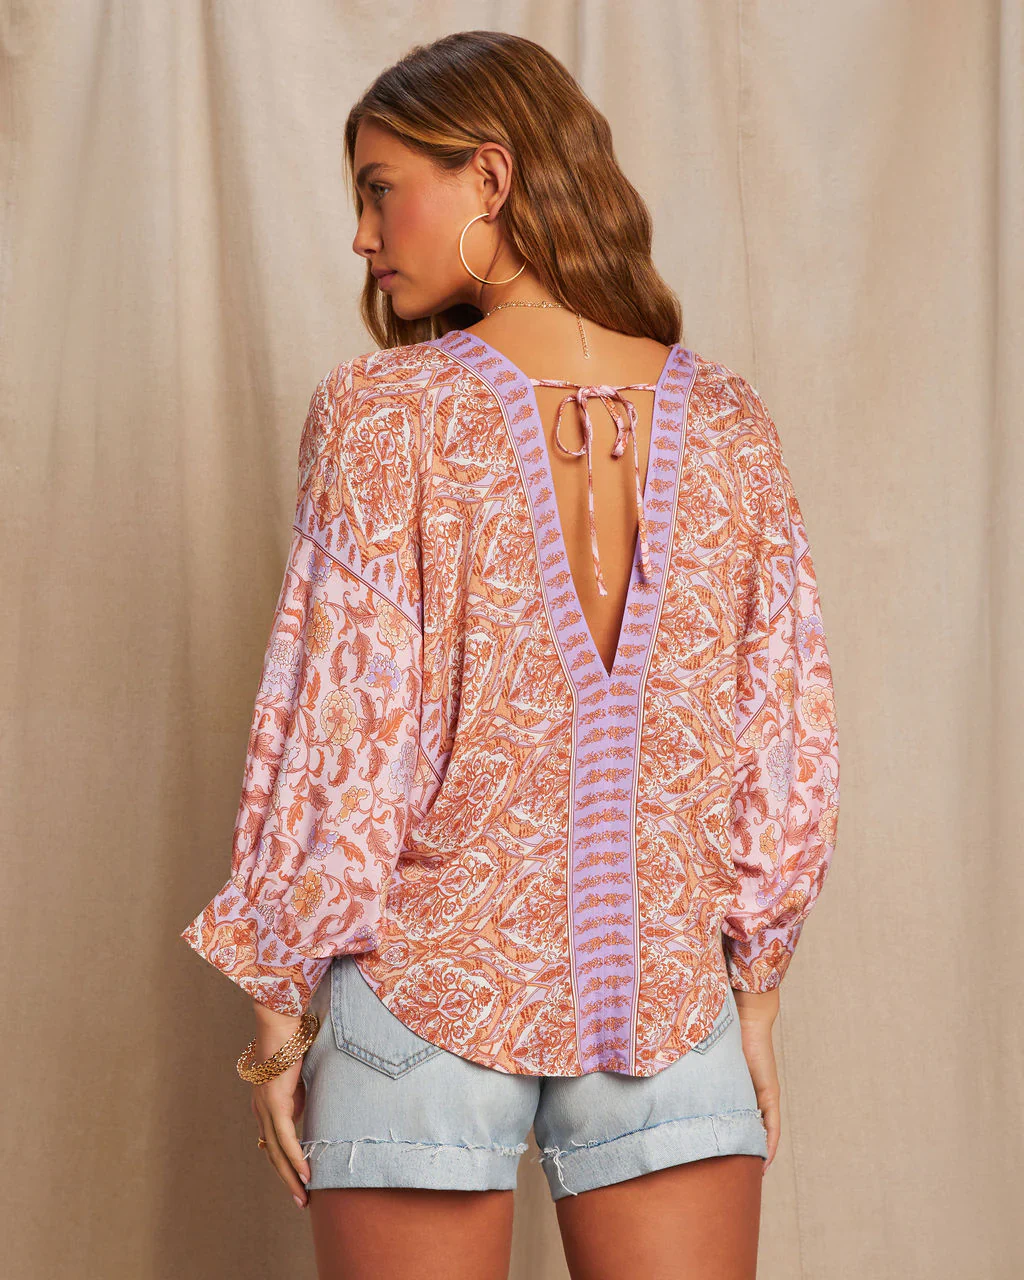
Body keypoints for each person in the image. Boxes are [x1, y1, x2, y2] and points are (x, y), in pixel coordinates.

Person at [180, 29, 840, 1280]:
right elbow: (785, 733)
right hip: (669, 1001)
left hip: (415, 1006)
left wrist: (278, 1010)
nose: (363, 237)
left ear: (489, 177)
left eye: (380, 190)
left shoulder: (382, 415)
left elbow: (341, 728)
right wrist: (754, 991)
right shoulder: (730, 420)